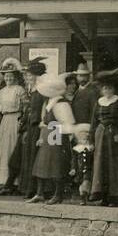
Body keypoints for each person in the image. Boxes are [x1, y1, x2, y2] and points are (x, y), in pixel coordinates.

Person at [28, 73, 77, 205]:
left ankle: (58, 194)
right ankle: (39, 193)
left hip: (57, 134)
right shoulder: (49, 102)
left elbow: (68, 122)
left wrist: (64, 135)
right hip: (48, 132)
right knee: (41, 164)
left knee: (56, 165)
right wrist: (42, 134)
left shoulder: (61, 103)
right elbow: (45, 120)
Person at [89, 74, 118, 205]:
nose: (107, 91)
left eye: (109, 88)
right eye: (104, 88)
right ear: (101, 90)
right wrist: (91, 140)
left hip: (114, 134)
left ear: (113, 89)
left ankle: (115, 197)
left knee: (114, 165)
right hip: (100, 135)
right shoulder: (99, 102)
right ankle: (103, 196)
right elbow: (94, 122)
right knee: (101, 165)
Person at [0, 59, 26, 194]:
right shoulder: (1, 92)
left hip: (15, 119)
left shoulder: (19, 90)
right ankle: (2, 181)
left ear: (16, 77)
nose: (9, 78)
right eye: (6, 76)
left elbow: (24, 107)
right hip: (5, 121)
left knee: (13, 148)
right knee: (3, 149)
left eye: (11, 76)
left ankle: (15, 182)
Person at [19, 58, 49, 197]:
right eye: (27, 75)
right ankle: (29, 189)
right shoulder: (34, 91)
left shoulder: (43, 92)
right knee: (29, 158)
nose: (28, 77)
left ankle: (39, 191)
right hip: (31, 128)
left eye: (31, 75)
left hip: (39, 128)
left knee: (37, 158)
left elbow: (44, 111)